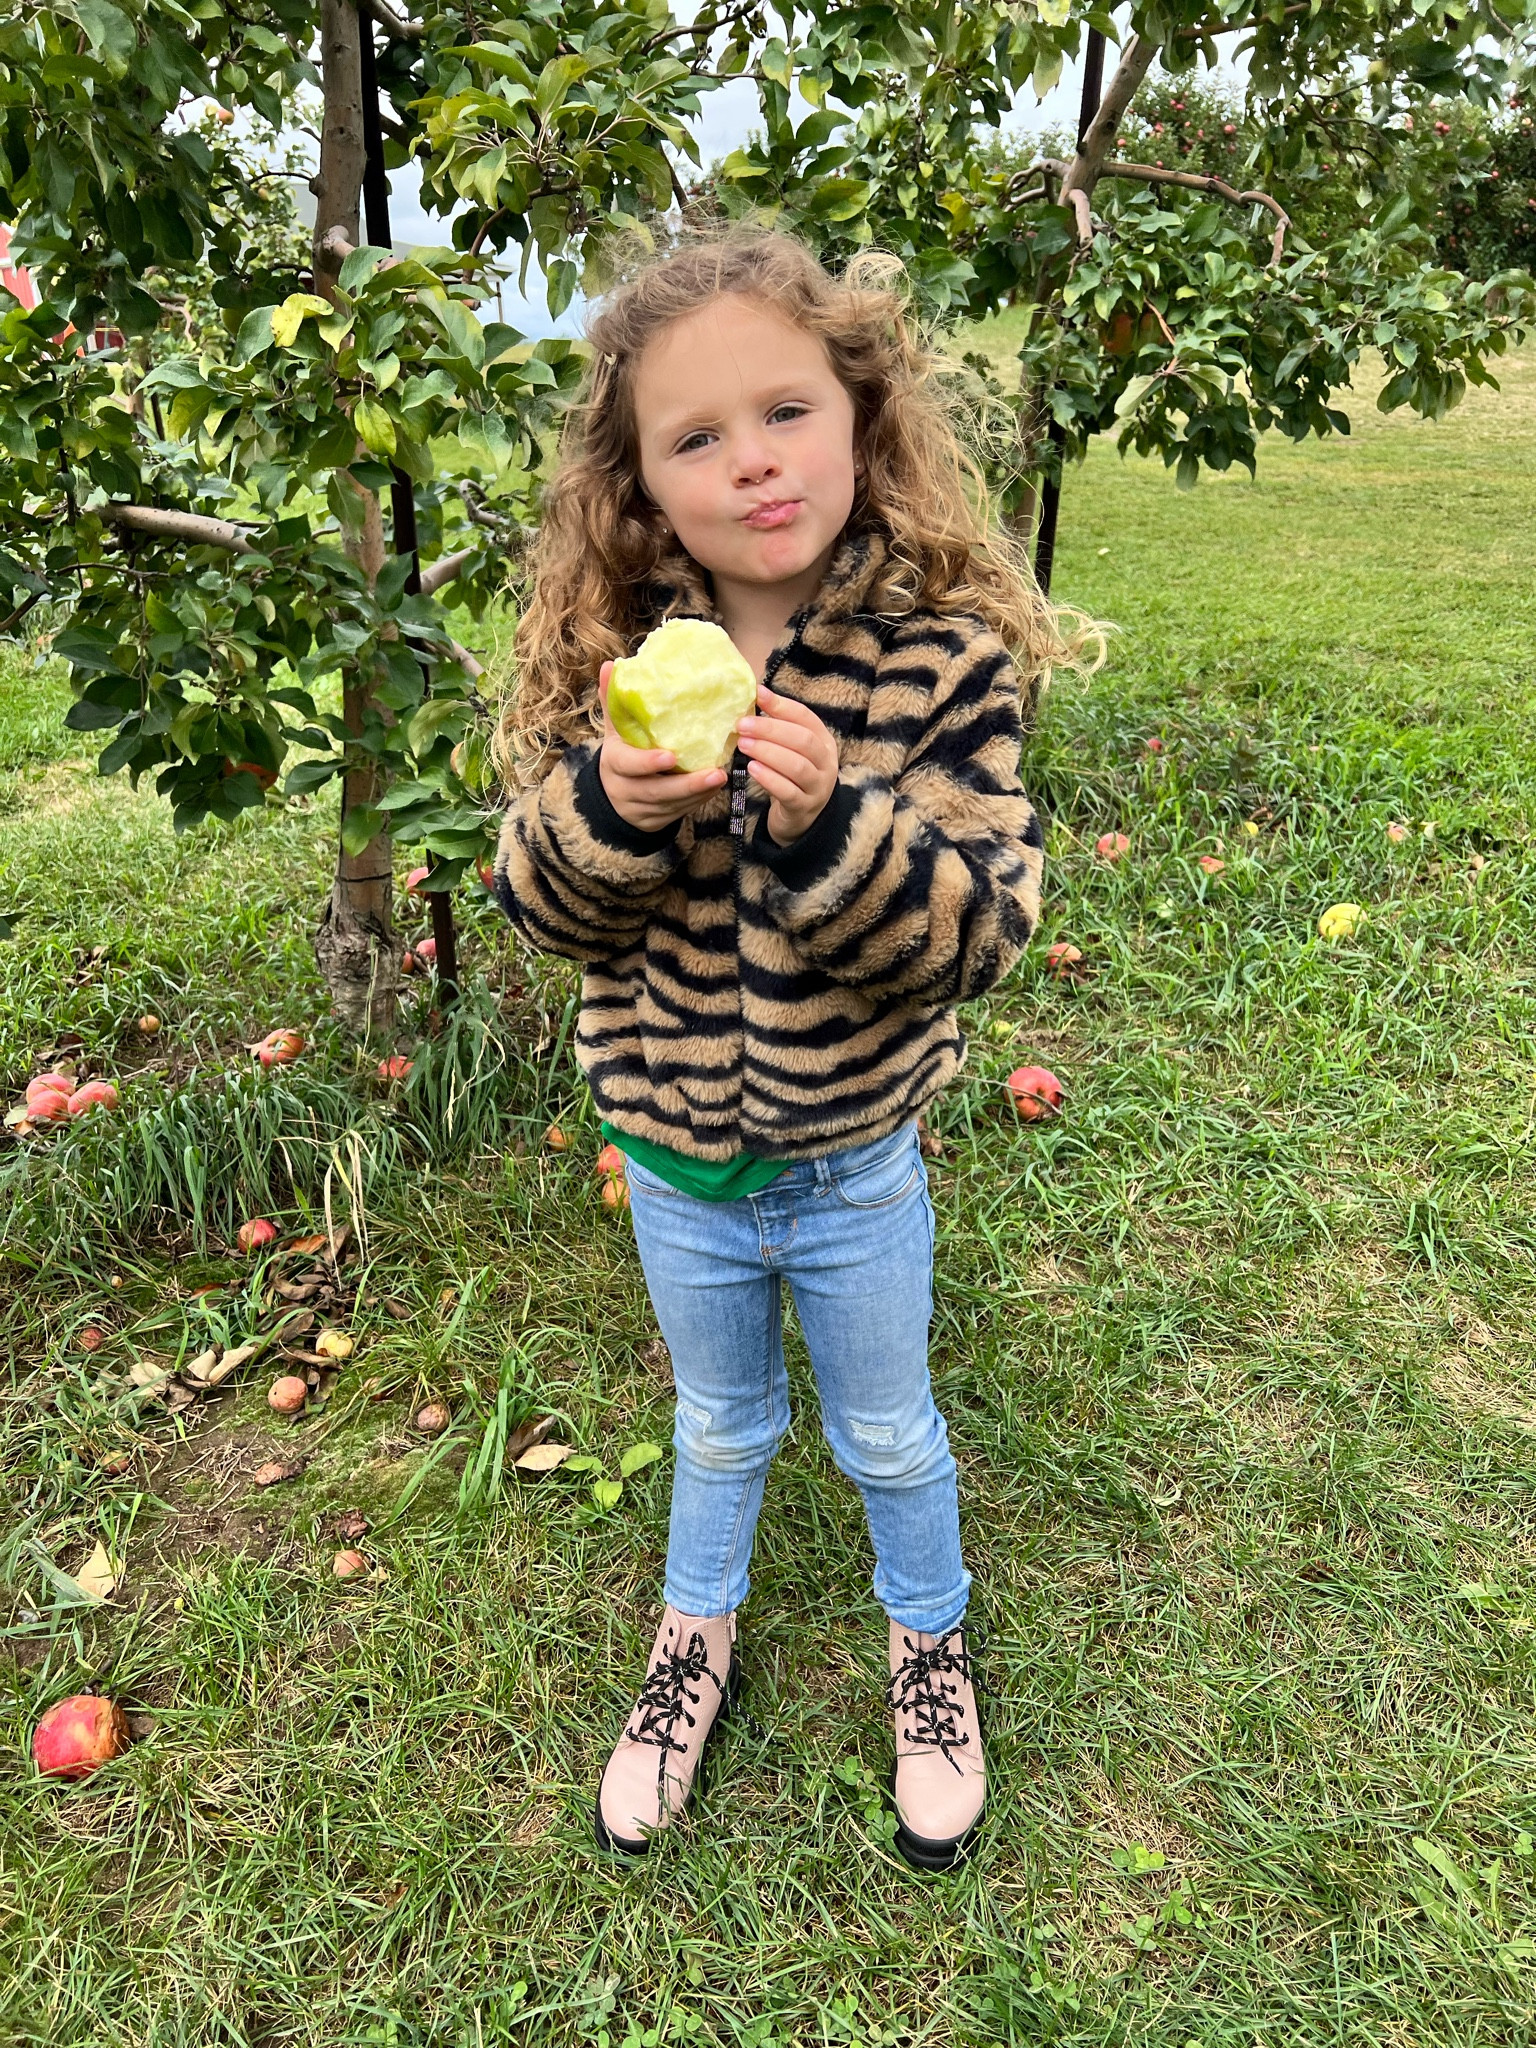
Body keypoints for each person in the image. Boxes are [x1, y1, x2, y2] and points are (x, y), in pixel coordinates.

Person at [491, 225, 1094, 1871]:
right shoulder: (611, 677)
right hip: (677, 1166)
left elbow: (983, 923)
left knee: (889, 1430)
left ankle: (929, 1648)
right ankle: (693, 1642)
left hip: (853, 1164)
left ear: (861, 413)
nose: (753, 463)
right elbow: (541, 908)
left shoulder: (938, 665)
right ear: (637, 483)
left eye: (787, 411)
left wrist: (840, 827)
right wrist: (614, 809)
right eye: (696, 437)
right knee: (719, 1424)